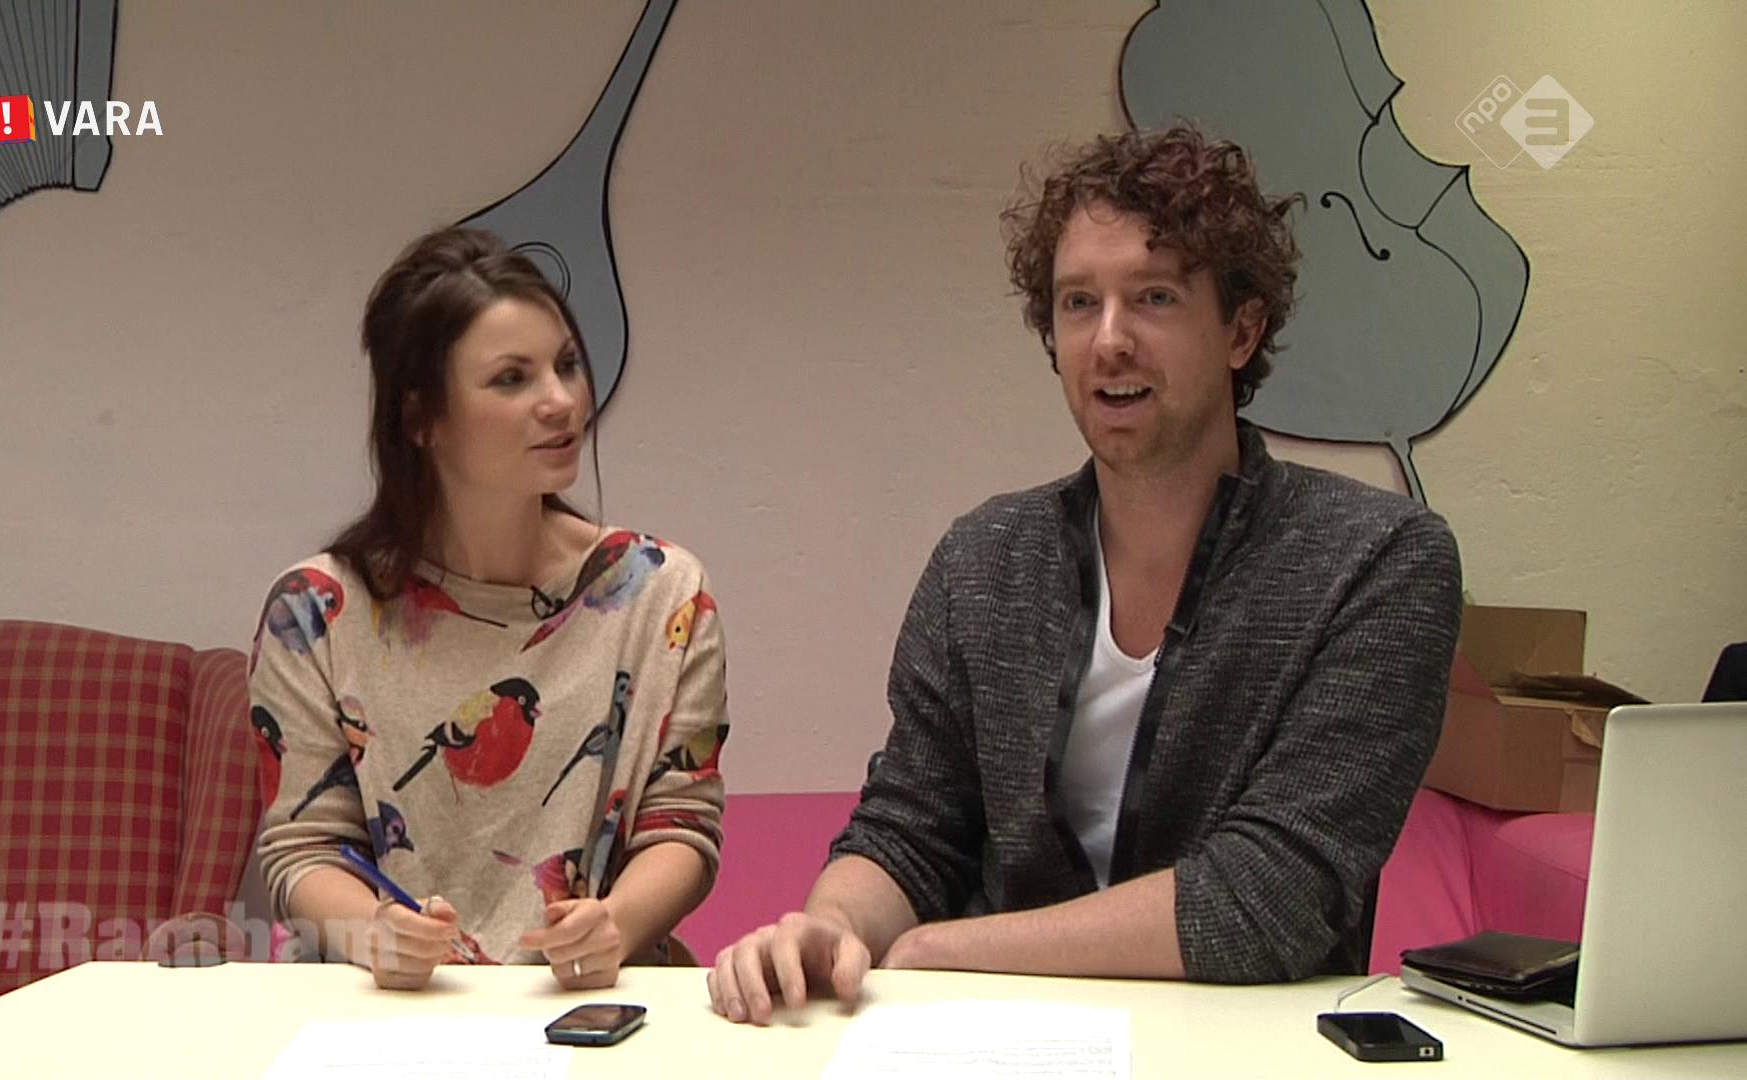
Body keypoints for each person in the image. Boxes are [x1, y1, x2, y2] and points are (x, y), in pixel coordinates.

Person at [708, 124, 1463, 1023]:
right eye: (1078, 303)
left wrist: (943, 950)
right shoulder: (984, 561)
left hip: (1247, 1045)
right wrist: (831, 927)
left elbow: (1273, 896)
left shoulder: (1376, 560)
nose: (1109, 340)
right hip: (999, 1042)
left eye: (1154, 297)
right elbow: (913, 828)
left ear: (1242, 329)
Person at [252, 225, 729, 991]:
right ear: (421, 419)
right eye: (511, 379)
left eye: (566, 365)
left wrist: (617, 923)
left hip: (593, 1005)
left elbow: (684, 823)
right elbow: (303, 848)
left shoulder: (661, 592)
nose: (561, 401)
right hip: (386, 1013)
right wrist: (373, 933)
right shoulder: (316, 612)